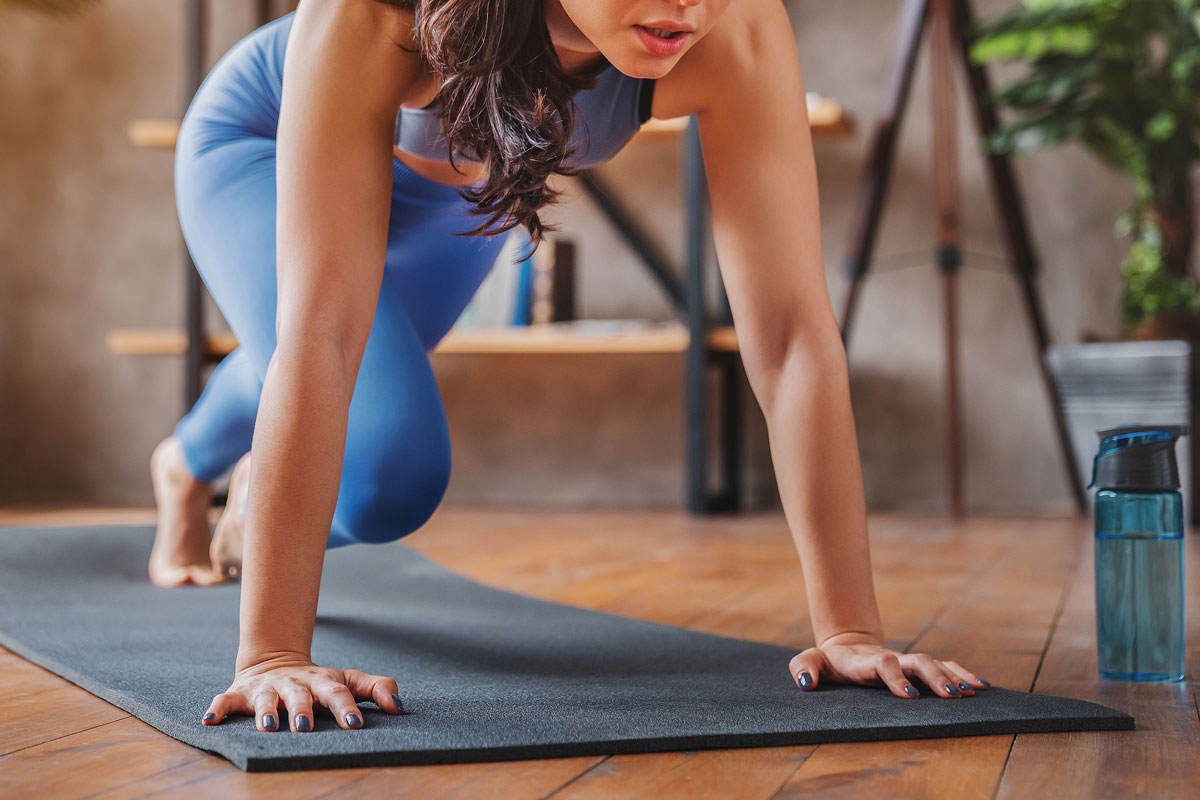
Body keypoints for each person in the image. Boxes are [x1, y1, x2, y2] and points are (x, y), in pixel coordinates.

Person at [148, 0, 991, 735]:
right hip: (257, 145)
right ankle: (189, 465)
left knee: (368, 418)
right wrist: (272, 656)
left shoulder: (731, 30)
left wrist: (848, 631)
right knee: (389, 469)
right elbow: (320, 336)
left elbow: (793, 336)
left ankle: (232, 485)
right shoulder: (375, 16)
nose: (689, 3)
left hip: (460, 192)